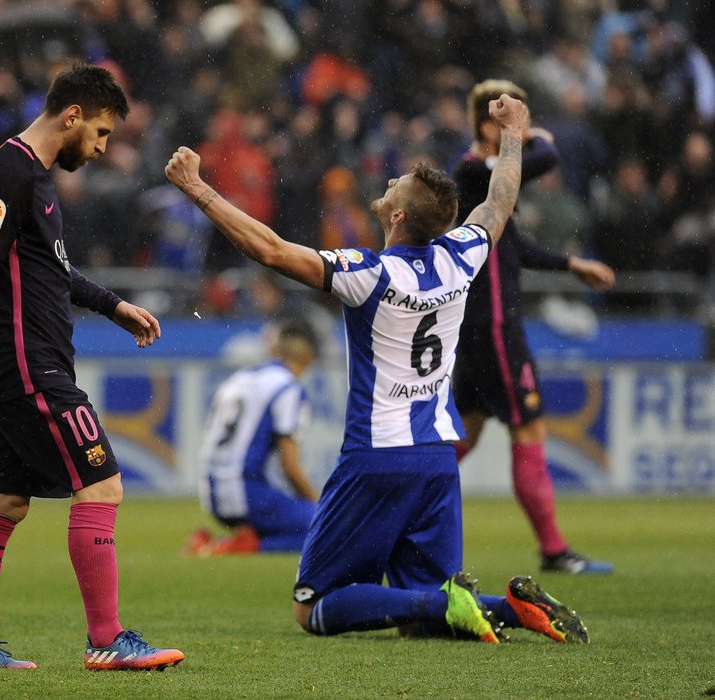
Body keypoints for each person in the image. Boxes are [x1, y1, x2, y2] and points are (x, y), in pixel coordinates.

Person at [165, 93, 589, 644]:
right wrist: (514, 136)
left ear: (397, 216)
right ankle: (508, 607)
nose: (386, 185)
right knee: (420, 622)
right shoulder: (461, 256)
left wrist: (198, 189)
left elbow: (268, 250)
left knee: (314, 607)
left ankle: (450, 605)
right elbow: (499, 202)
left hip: (378, 455)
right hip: (438, 456)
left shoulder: (368, 273)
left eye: (394, 187)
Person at [0, 63, 184, 671]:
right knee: (102, 483)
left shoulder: (31, 177)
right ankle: (107, 639)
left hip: (17, 367)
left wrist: (114, 305)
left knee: (4, 502)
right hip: (29, 364)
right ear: (72, 117)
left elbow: (51, 270)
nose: (100, 148)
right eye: (100, 133)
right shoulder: (9, 171)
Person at [451, 79, 616, 575]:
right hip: (497, 329)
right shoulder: (473, 170)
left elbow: (514, 247)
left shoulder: (485, 177)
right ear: (488, 126)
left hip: (475, 329)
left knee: (463, 434)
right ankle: (553, 550)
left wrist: (571, 265)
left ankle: (388, 510)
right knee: (528, 429)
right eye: (510, 117)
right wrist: (526, 133)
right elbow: (545, 156)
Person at [187, 318, 320, 557]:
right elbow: (289, 466)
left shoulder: (240, 378)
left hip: (212, 493)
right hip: (246, 493)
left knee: (299, 520)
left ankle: (223, 540)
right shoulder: (288, 387)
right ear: (310, 357)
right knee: (327, 527)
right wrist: (319, 505)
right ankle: (233, 547)